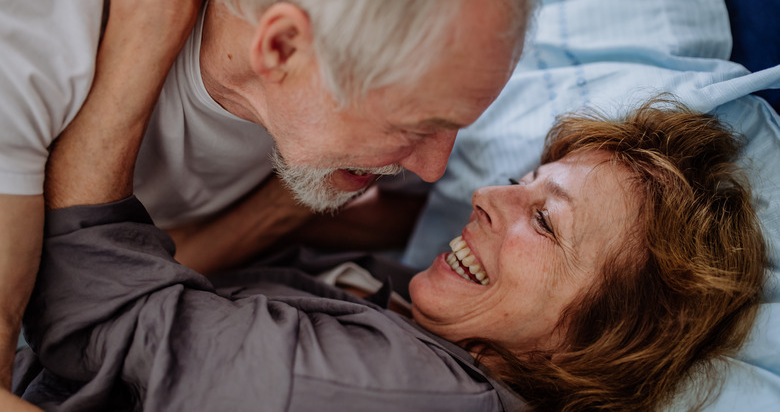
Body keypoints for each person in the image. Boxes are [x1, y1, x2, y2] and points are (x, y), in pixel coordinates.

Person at [14, 88, 767, 410]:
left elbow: (92, 311)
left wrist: (148, 27)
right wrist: (302, 200)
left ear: (590, 344)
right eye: (518, 180)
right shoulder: (435, 323)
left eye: (544, 221)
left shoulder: (402, 393)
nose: (483, 196)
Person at [0, 0, 533, 401]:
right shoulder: (29, 39)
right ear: (280, 46)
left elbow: (148, 262)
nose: (437, 167)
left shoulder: (392, 67)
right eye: (415, 127)